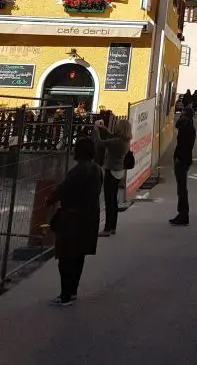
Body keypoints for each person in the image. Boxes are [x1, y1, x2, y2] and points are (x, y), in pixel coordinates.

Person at [46, 135, 102, 305]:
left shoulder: (77, 171)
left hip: (73, 218)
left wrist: (50, 199)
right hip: (90, 217)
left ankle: (65, 295)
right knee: (79, 256)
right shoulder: (97, 169)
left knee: (65, 258)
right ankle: (73, 291)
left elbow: (65, 189)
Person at [92, 118, 132, 235]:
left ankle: (107, 228)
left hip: (111, 171)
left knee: (109, 201)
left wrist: (95, 130)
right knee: (113, 200)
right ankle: (113, 226)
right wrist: (103, 128)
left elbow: (100, 142)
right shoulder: (125, 140)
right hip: (119, 171)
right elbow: (111, 137)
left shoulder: (117, 142)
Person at [169, 106, 197, 226]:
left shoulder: (186, 126)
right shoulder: (189, 125)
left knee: (182, 189)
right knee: (181, 188)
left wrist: (178, 159)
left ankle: (183, 214)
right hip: (184, 159)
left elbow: (184, 145)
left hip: (182, 159)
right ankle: (182, 213)